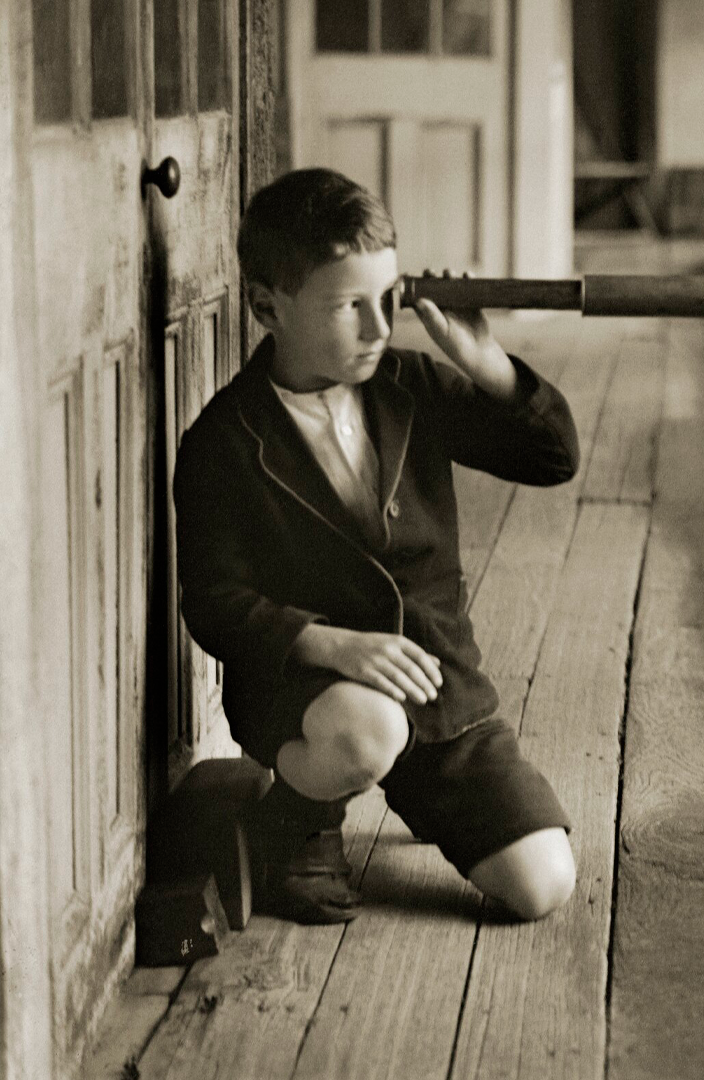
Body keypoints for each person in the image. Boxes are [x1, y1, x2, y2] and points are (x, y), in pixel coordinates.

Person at [173, 168, 579, 924]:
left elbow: (551, 460)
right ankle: (297, 818)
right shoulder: (224, 441)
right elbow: (214, 604)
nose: (378, 327)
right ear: (268, 307)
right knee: (367, 730)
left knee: (541, 884)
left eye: (387, 298)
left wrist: (484, 361)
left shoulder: (411, 385)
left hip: (436, 684)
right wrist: (328, 646)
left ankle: (414, 790)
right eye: (347, 306)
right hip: (311, 696)